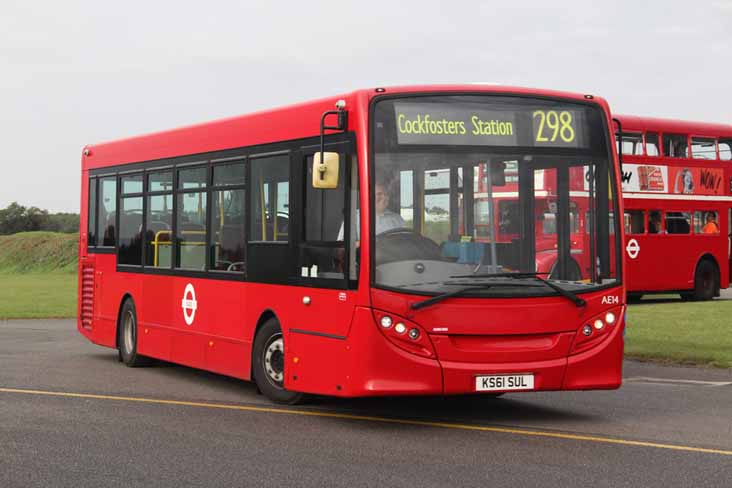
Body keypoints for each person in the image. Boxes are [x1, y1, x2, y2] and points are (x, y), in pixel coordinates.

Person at [337, 181, 405, 241]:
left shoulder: (397, 219)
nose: (384, 198)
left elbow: (404, 242)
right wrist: (370, 244)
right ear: (369, 196)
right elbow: (343, 245)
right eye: (379, 194)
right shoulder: (354, 217)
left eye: (386, 194)